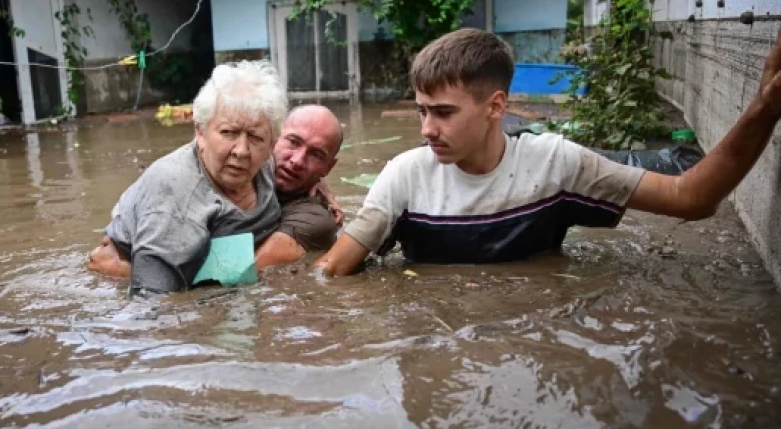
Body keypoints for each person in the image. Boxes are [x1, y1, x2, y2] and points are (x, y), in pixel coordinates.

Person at [314, 27, 781, 276]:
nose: (427, 129)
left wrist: (763, 109)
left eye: (443, 113)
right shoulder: (406, 175)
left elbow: (691, 198)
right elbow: (331, 273)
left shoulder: (555, 163)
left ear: (496, 106)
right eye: (421, 111)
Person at [87, 59, 288, 293]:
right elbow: (152, 302)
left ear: (271, 145)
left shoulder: (268, 164)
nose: (241, 151)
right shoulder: (176, 191)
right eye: (228, 133)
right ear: (200, 132)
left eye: (255, 137)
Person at [254, 105, 344, 268]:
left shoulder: (316, 220)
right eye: (293, 142)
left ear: (328, 168)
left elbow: (247, 272)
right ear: (273, 137)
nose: (297, 161)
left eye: (316, 155)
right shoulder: (247, 161)